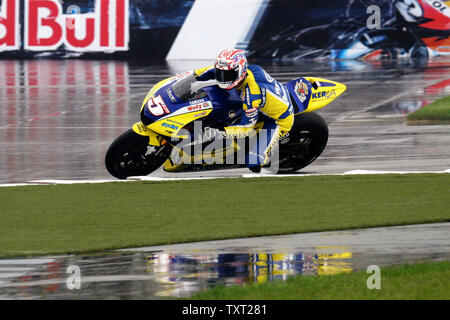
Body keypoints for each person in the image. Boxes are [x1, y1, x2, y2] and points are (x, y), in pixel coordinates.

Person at [191, 48, 294, 171]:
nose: (223, 78)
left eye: (228, 75)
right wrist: (189, 77)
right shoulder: (244, 71)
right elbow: (205, 72)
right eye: (221, 74)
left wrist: (220, 132)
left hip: (278, 120)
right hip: (264, 104)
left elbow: (246, 127)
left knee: (253, 162)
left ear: (240, 71)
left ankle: (266, 154)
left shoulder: (252, 94)